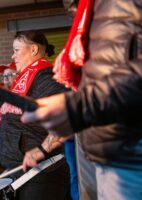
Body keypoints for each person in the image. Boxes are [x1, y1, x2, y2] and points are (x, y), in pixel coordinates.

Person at [21, 1, 142, 200]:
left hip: (131, 155)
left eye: (17, 50)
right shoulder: (89, 11)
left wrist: (77, 107)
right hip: (106, 150)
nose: (12, 55)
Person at [0, 30, 70, 199]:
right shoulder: (24, 81)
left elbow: (67, 115)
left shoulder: (47, 79)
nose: (13, 56)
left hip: (42, 175)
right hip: (21, 172)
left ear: (33, 50)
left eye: (16, 50)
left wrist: (42, 149)